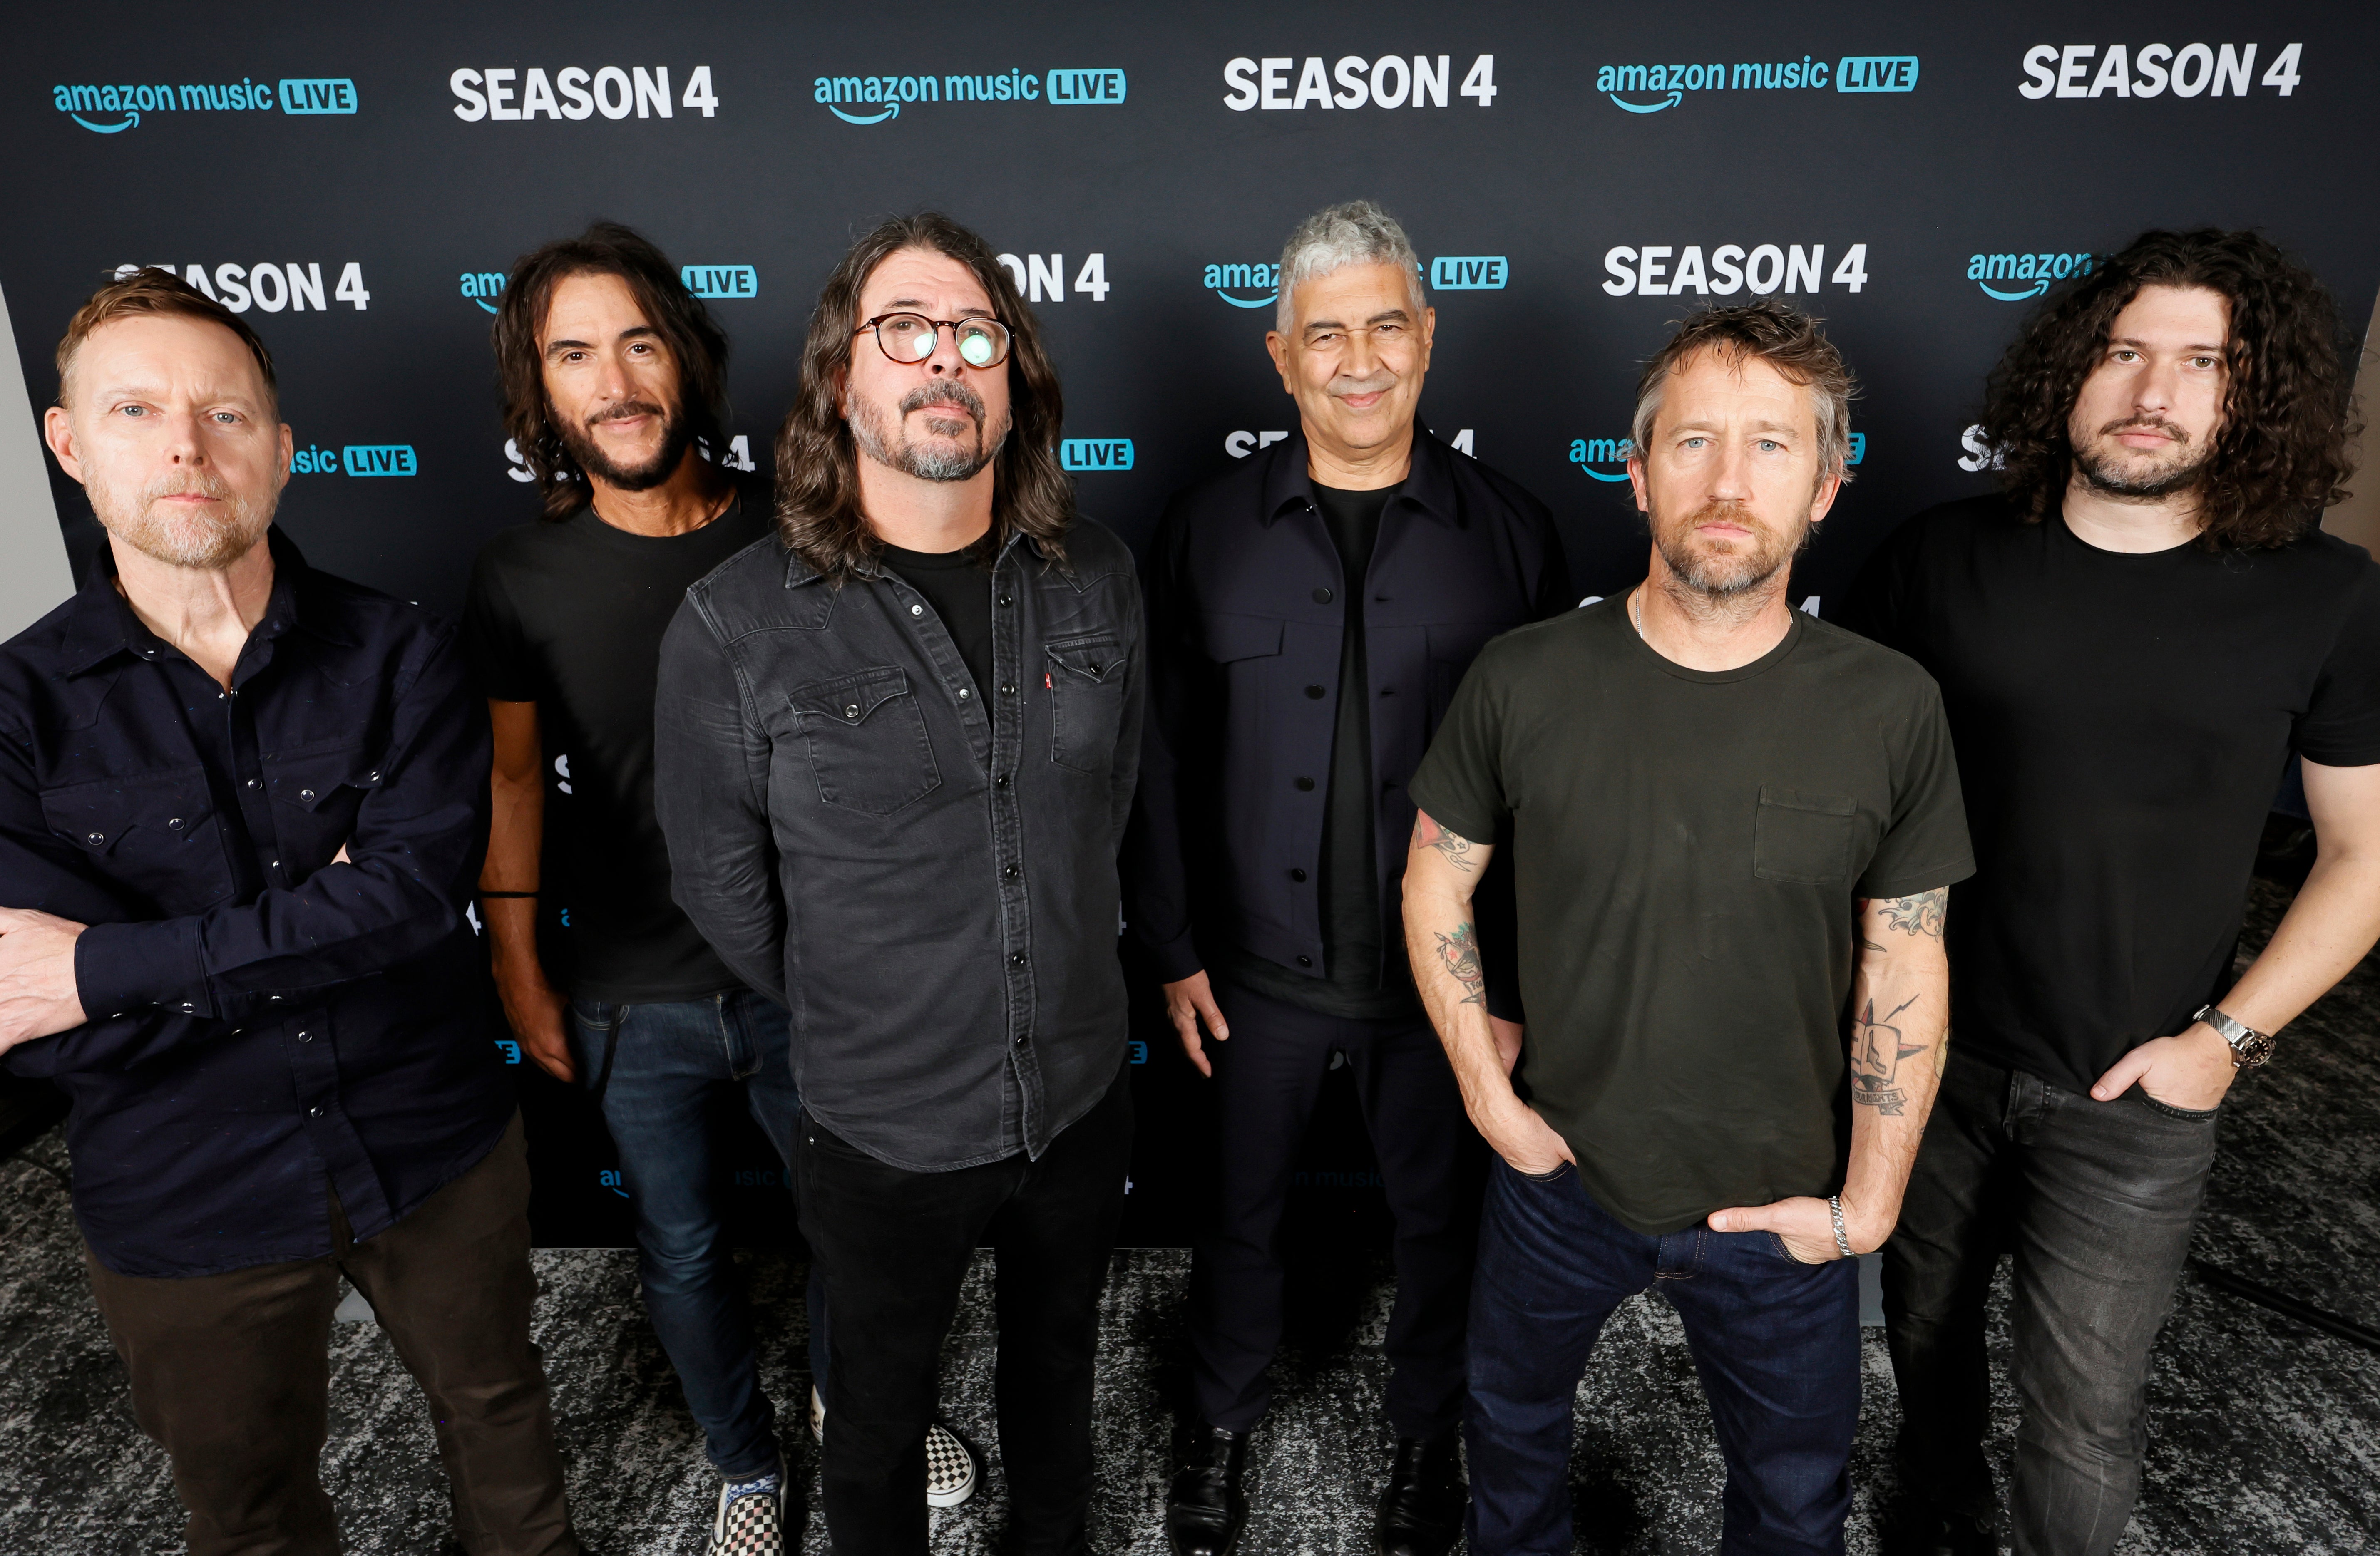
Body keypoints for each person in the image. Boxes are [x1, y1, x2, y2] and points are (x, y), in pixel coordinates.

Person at [0, 270, 577, 1554]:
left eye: (225, 414)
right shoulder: (15, 713)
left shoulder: (404, 653)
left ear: (281, 449)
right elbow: (35, 1014)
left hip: (433, 1140)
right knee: (247, 1509)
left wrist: (109, 964)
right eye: (137, 410)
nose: (187, 447)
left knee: (501, 1416)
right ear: (70, 443)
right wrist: (329, 920)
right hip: (186, 1190)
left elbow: (410, 904)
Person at [1403, 299, 1977, 1555]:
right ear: (1638, 469)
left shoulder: (1891, 706)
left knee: (1793, 1500)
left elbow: (1906, 952)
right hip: (1559, 1179)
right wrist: (1490, 1100)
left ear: (1825, 487)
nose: (1729, 481)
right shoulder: (1524, 676)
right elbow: (1436, 879)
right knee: (1508, 1438)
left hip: (1786, 1209)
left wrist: (1869, 1206)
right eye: (1694, 441)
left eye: (1772, 445)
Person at [1840, 228, 2380, 1556]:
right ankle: (1936, 1519)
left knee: (2081, 1412)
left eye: (2205, 362)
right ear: (2066, 371)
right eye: (2124, 351)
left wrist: (2225, 1042)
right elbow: (1837, 802)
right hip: (1929, 1058)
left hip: (2133, 1088)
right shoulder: (1936, 559)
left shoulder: (2326, 596)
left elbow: (2365, 855)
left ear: (2255, 395)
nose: (2154, 391)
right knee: (1922, 1339)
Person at [464, 222, 976, 1554]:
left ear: (686, 360)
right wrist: (518, 969)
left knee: (853, 1236)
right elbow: (514, 783)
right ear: (541, 390)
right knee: (682, 1248)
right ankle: (745, 1462)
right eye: (574, 354)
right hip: (631, 996)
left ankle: (856, 1411)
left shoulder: (805, 532)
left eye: (640, 343)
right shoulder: (520, 579)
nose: (615, 381)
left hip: (815, 982)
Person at [653, 212, 1143, 1556]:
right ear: (842, 379)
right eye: (906, 330)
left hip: (1080, 1094)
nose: (945, 360)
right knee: (873, 1423)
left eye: (978, 335)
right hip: (881, 1127)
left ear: (1016, 383)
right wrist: (872, 991)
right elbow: (722, 883)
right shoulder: (735, 623)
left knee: (1058, 1376)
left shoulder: (1099, 575)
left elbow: (1111, 800)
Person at [1127, 199, 1571, 1556]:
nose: (1360, 360)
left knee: (1445, 1230)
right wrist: (1172, 946)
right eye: (1327, 335)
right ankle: (1216, 1419)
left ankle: (1432, 1436)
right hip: (1250, 976)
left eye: (1387, 327)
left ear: (1428, 338)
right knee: (1237, 1221)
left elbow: (1550, 793)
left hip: (1446, 987)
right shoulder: (1203, 529)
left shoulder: (1516, 534)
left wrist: (1518, 990)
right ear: (1282, 357)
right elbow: (1158, 758)